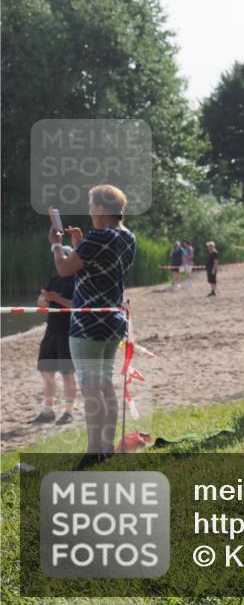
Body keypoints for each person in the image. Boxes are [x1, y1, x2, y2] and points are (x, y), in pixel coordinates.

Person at [49, 185, 136, 469]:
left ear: (100, 209)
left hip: (88, 325)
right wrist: (80, 246)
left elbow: (64, 269)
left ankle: (93, 450)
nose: (88, 209)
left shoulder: (99, 237)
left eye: (90, 204)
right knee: (105, 386)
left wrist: (56, 245)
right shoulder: (127, 237)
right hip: (113, 322)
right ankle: (107, 446)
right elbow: (98, 271)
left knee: (90, 388)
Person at [30, 254, 77, 425]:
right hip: (51, 331)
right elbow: (40, 303)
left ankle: (68, 411)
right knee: (46, 371)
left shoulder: (78, 280)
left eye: (63, 261)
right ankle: (47, 410)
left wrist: (57, 299)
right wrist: (45, 299)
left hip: (69, 333)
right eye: (59, 261)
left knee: (67, 374)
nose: (60, 264)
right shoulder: (54, 279)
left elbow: (78, 305)